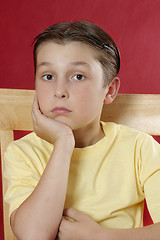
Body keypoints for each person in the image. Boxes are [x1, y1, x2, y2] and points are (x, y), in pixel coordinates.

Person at [4, 20, 160, 240]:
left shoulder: (139, 148)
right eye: (48, 76)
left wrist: (101, 236)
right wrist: (63, 142)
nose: (59, 91)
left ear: (110, 90)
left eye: (78, 76)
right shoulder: (22, 153)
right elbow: (34, 235)